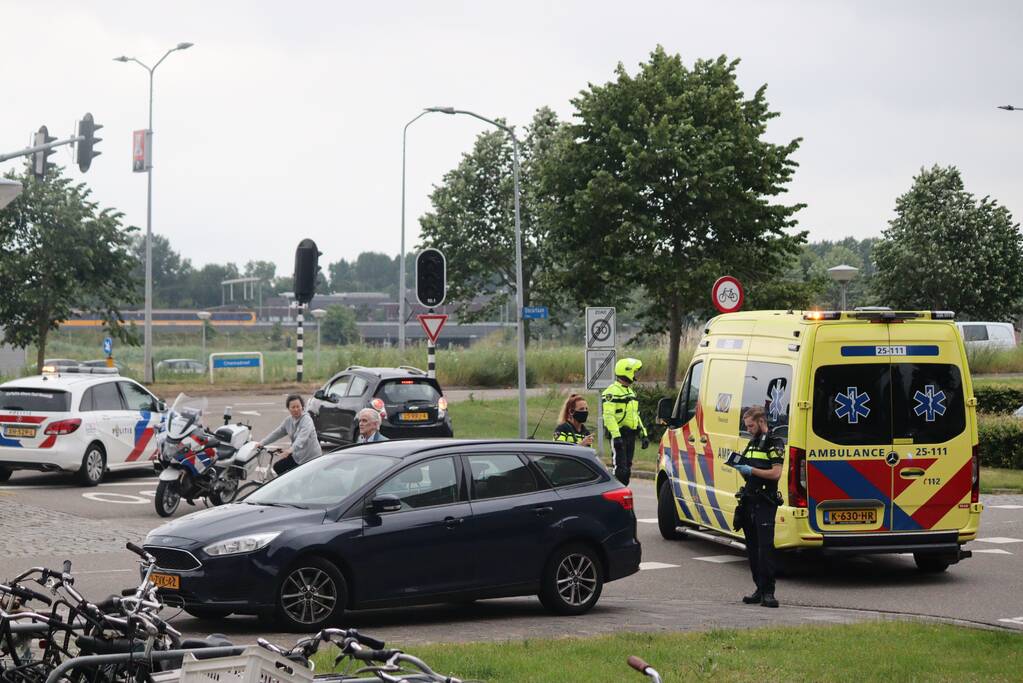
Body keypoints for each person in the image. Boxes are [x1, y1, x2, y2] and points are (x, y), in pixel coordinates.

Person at [733, 405, 785, 609]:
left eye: (751, 425)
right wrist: (741, 468)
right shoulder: (752, 443)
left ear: (761, 421)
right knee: (752, 549)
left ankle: (769, 592)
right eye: (746, 426)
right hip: (749, 499)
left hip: (765, 501)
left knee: (765, 548)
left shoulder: (774, 443)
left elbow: (775, 473)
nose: (748, 429)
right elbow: (748, 473)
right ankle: (759, 588)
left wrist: (751, 470)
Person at [601, 357, 649, 485]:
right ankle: (614, 493)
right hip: (619, 434)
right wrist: (616, 437)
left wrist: (643, 433)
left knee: (627, 469)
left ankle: (620, 493)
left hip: (630, 435)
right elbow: (608, 416)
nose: (635, 374)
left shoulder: (630, 392)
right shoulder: (611, 392)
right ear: (627, 371)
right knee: (620, 470)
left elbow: (635, 415)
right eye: (634, 371)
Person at [254, 394, 323, 476]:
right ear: (288, 409)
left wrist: (290, 450)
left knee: (303, 478)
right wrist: (262, 443)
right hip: (297, 455)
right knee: (278, 467)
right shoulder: (288, 421)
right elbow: (276, 433)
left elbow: (302, 438)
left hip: (311, 458)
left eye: (298, 406)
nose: (296, 409)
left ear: (302, 407)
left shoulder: (307, 420)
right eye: (293, 407)